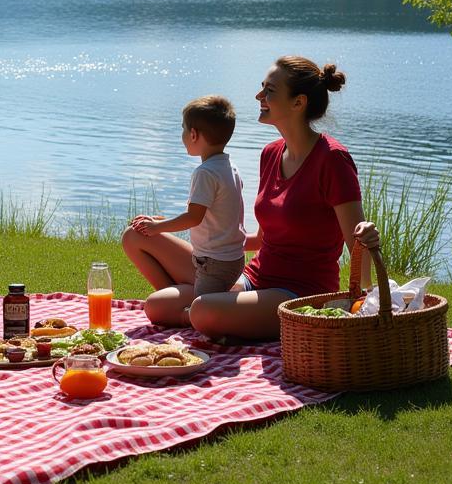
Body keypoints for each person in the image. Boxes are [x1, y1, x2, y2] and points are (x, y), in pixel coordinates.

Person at [182, 56, 379, 341]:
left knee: (200, 310)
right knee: (165, 307)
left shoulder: (333, 159)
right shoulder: (271, 153)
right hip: (256, 278)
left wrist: (366, 301)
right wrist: (209, 242)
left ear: (298, 103)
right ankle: (227, 329)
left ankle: (227, 329)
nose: (259, 96)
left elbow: (357, 243)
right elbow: (263, 239)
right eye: (263, 87)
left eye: (270, 91)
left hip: (302, 293)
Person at [123, 95, 247, 324]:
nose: (181, 136)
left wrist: (158, 227)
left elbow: (194, 217)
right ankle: (189, 304)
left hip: (214, 265)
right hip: (228, 261)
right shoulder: (229, 166)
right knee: (194, 305)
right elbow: (215, 215)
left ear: (193, 134)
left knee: (200, 316)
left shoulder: (205, 172)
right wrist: (161, 222)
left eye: (183, 129)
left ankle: (195, 318)